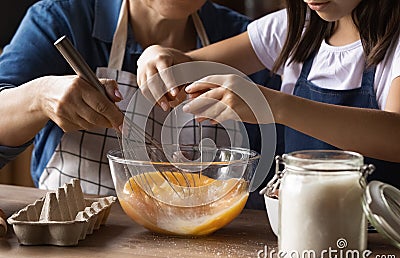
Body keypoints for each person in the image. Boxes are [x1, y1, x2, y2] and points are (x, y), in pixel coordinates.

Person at [0, 0, 281, 204]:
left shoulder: (251, 43)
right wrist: (39, 97)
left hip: (208, 242)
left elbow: (276, 170)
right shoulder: (62, 19)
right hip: (77, 240)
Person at [137, 0, 400, 188]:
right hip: (297, 223)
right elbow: (186, 67)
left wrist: (275, 106)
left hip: (379, 236)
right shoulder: (294, 28)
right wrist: (158, 56)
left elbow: (395, 136)